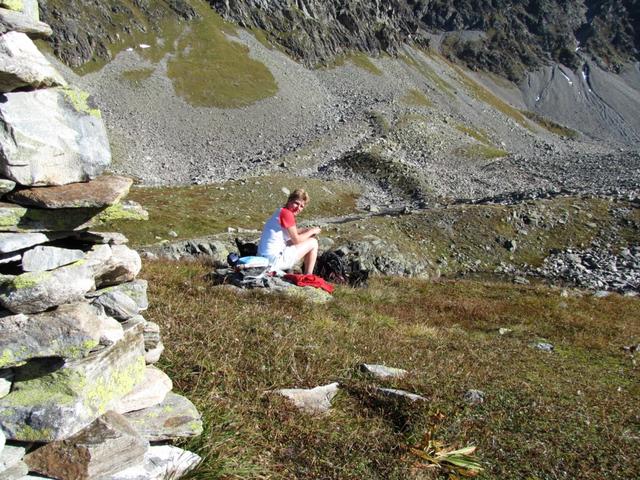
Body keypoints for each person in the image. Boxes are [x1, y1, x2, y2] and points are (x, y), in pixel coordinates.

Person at [258, 188, 321, 274]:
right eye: (296, 203)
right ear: (289, 201)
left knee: (292, 241)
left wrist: (304, 230)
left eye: (301, 206)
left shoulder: (281, 211)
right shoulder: (287, 214)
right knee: (313, 242)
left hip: (264, 258)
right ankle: (308, 275)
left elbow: (290, 232)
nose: (298, 208)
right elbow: (296, 240)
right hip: (273, 261)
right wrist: (312, 231)